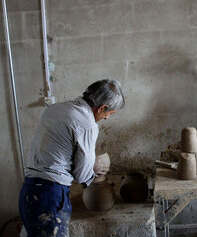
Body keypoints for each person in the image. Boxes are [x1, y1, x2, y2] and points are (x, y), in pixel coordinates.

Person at [18, 79, 125, 236]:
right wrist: (92, 168)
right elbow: (82, 176)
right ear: (102, 108)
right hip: (50, 197)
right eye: (110, 113)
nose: (107, 118)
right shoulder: (87, 124)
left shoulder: (54, 109)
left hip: (29, 191)